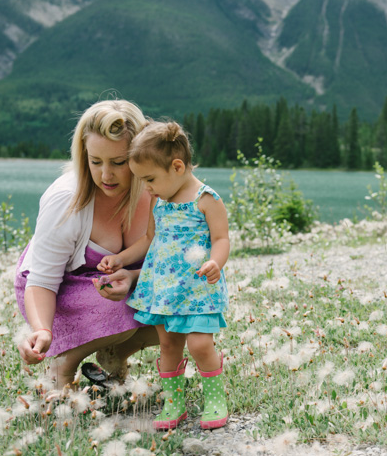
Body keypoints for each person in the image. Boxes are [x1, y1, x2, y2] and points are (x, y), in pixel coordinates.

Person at [15, 99, 159, 388]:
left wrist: (132, 277)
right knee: (125, 306)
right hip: (57, 291)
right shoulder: (66, 199)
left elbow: (175, 263)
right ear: (83, 156)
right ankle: (62, 366)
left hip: (125, 284)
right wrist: (42, 329)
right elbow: (42, 280)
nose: (106, 175)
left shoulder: (157, 189)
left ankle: (115, 350)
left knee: (190, 293)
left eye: (119, 162)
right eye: (96, 162)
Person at [97, 120, 230, 430]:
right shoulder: (160, 201)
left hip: (199, 288)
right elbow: (149, 240)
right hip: (165, 289)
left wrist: (216, 262)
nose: (147, 187)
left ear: (178, 166)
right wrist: (120, 259)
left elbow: (222, 239)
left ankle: (215, 398)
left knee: (199, 344)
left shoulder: (207, 199)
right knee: (169, 345)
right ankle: (174, 401)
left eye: (150, 179)